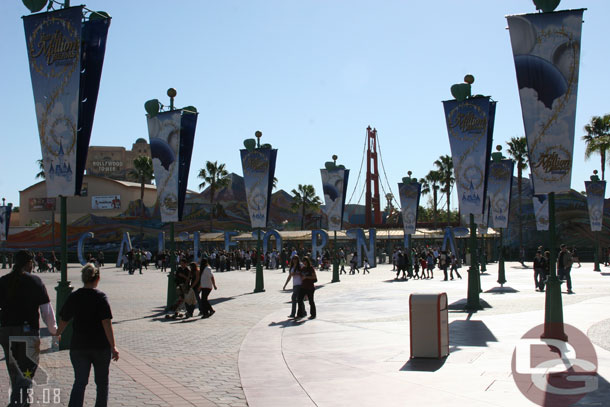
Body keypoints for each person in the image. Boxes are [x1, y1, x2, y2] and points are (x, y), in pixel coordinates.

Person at [0, 250, 58, 406]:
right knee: (25, 376)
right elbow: (47, 311)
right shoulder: (35, 282)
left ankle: (20, 403)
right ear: (29, 263)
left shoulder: (3, 281)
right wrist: (54, 331)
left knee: (15, 375)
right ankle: (17, 404)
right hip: (28, 333)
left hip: (7, 332)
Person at [57, 263, 119, 407]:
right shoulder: (101, 297)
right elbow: (106, 323)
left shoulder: (75, 296)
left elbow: (64, 319)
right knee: (102, 383)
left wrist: (57, 334)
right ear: (97, 278)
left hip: (79, 345)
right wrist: (113, 346)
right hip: (100, 346)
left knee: (80, 381)